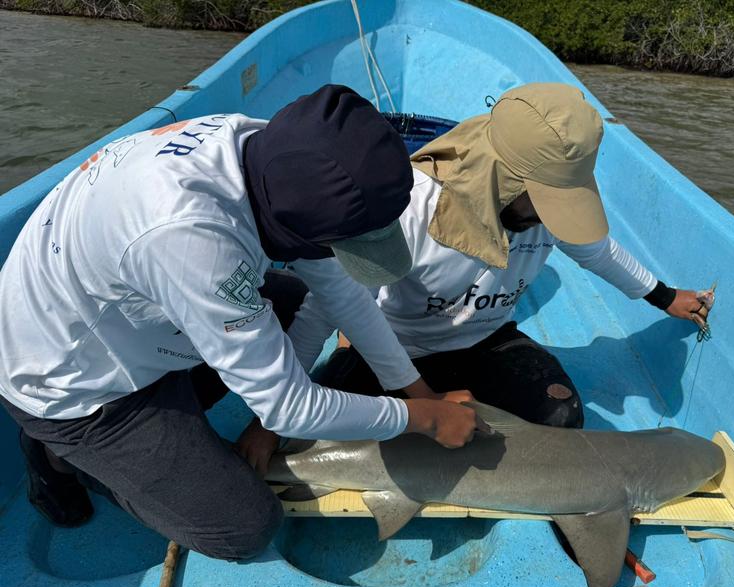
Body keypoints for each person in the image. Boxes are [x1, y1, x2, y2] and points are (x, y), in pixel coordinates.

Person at [0, 85, 486, 559]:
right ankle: (61, 456)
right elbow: (290, 411)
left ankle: (178, 426)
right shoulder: (190, 237)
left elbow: (343, 293)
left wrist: (420, 393)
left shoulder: (267, 152)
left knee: (293, 301)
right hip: (75, 386)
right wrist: (419, 421)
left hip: (129, 320)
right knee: (243, 528)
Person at [311, 83, 712, 428]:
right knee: (323, 419)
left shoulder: (551, 216)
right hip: (397, 345)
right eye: (545, 201)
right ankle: (352, 353)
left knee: (562, 414)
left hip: (485, 339)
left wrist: (665, 296)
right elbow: (333, 300)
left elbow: (598, 253)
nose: (551, 218)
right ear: (499, 178)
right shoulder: (409, 205)